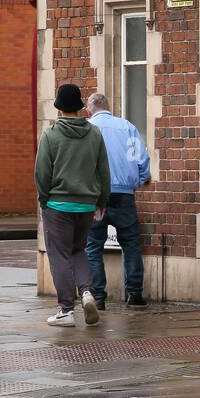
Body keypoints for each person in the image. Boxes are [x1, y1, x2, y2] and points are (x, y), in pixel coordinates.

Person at [35, 83, 111, 328]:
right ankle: (87, 292)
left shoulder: (51, 133)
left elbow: (42, 172)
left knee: (59, 255)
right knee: (79, 250)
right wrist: (101, 200)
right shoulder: (94, 133)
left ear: (58, 106)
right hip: (86, 205)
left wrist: (44, 198)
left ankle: (66, 309)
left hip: (58, 204)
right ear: (80, 107)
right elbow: (103, 171)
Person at [84, 92, 150, 310]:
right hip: (124, 194)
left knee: (93, 246)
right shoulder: (127, 126)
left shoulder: (87, 129)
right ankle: (134, 294)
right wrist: (137, 181)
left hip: (95, 196)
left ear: (89, 110)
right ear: (108, 106)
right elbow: (141, 159)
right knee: (130, 244)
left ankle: (99, 297)